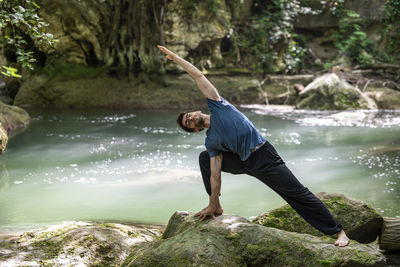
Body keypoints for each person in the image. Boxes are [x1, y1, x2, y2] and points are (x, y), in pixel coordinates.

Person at [157, 45, 350, 247]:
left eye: (189, 116)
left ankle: (339, 232)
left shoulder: (217, 104)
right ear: (194, 130)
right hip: (244, 162)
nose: (190, 119)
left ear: (196, 111)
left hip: (264, 156)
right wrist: (212, 201)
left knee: (297, 194)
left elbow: (197, 76)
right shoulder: (211, 141)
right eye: (188, 123)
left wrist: (175, 57)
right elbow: (215, 174)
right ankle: (216, 206)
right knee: (205, 158)